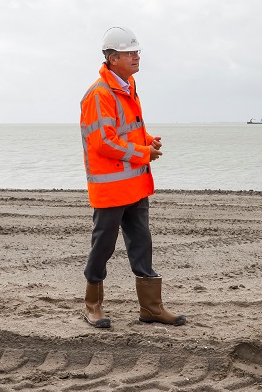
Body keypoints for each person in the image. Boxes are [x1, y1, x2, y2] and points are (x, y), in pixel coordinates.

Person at [78, 26, 185, 329]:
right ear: (112, 59)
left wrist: (147, 141)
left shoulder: (128, 86)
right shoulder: (100, 95)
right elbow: (104, 142)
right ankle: (92, 305)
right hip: (111, 190)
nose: (137, 57)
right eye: (130, 52)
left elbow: (128, 131)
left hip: (135, 186)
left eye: (137, 51)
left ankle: (151, 308)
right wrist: (142, 153)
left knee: (142, 244)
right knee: (104, 246)